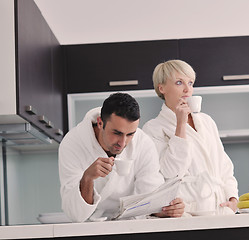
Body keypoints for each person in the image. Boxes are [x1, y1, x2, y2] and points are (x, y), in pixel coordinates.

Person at [59, 93, 184, 222]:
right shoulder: (72, 143)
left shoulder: (143, 143)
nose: (123, 143)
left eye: (130, 134)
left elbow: (151, 196)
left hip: (128, 225)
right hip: (89, 226)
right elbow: (75, 213)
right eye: (117, 133)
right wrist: (87, 178)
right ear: (100, 123)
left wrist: (167, 210)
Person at [143, 60, 239, 215]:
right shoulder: (153, 128)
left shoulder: (207, 122)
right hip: (188, 212)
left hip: (221, 209)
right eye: (179, 82)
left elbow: (224, 166)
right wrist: (180, 125)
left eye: (190, 83)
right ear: (162, 88)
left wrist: (233, 198)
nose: (187, 89)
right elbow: (169, 173)